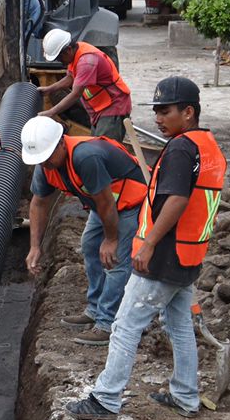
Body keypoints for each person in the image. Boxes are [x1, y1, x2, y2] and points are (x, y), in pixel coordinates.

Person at [68, 76, 226, 420]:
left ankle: (105, 399)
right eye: (155, 111)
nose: (158, 118)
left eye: (165, 111)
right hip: (189, 254)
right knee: (179, 326)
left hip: (165, 257)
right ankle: (185, 396)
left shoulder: (182, 149)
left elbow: (178, 200)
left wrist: (148, 244)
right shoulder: (208, 147)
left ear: (188, 112)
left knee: (125, 325)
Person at [21, 116, 147, 347]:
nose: (45, 163)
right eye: (40, 160)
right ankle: (94, 307)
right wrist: (35, 246)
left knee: (116, 259)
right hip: (104, 206)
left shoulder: (86, 156)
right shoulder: (47, 164)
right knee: (89, 246)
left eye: (47, 158)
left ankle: (107, 323)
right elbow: (38, 204)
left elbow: (107, 202)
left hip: (132, 203)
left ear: (60, 142)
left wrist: (111, 239)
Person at [37, 29, 132, 140]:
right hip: (100, 108)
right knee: (97, 145)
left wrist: (51, 112)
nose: (59, 61)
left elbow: (76, 94)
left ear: (68, 50)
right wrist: (49, 89)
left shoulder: (87, 61)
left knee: (105, 149)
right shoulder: (76, 52)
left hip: (113, 107)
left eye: (59, 57)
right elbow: (71, 77)